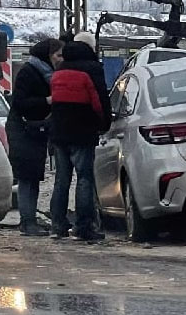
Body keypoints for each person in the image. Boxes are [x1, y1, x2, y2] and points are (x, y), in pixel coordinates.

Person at [48, 34, 110, 241]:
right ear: (91, 47)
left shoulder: (60, 69)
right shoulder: (92, 69)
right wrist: (104, 124)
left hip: (59, 132)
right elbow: (99, 101)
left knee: (61, 180)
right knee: (84, 179)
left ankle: (57, 226)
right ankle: (84, 227)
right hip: (82, 131)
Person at [6, 37, 64, 236]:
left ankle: (29, 219)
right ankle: (27, 221)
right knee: (27, 178)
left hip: (36, 130)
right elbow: (20, 103)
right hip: (23, 130)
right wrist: (47, 100)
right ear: (47, 55)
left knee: (33, 177)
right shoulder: (29, 72)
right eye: (57, 54)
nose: (60, 59)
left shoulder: (45, 73)